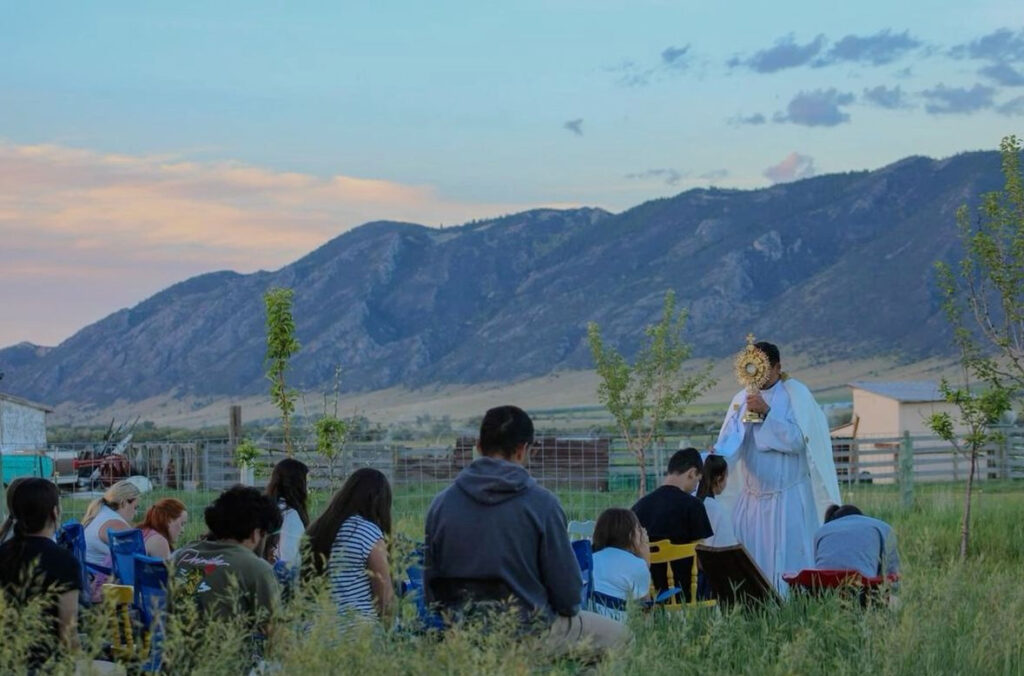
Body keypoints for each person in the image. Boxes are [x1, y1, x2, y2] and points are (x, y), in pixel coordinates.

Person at [425, 405, 627, 657]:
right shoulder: (542, 504)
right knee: (621, 638)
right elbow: (569, 595)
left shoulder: (441, 505)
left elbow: (431, 588)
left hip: (464, 633)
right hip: (529, 633)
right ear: (523, 450)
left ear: (478, 446)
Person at [714, 341, 841, 593]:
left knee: (790, 555)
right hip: (752, 501)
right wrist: (713, 458)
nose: (757, 375)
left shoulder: (796, 395)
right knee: (752, 557)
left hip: (789, 498)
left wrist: (768, 413)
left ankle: (793, 605)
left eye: (762, 368)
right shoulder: (741, 399)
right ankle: (754, 605)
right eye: (751, 368)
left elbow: (798, 440)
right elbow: (730, 445)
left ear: (777, 367)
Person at [172, 485, 282, 637]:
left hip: (174, 656)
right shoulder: (256, 568)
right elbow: (275, 633)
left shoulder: (183, 555)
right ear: (256, 533)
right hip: (224, 658)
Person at [0, 478, 81, 668]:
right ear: (54, 512)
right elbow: (68, 634)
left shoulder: (4, 553)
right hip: (46, 666)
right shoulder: (64, 561)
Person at [305, 468, 394, 629]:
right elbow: (384, 600)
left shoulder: (318, 529)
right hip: (356, 636)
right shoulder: (367, 533)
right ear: (379, 503)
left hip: (315, 636)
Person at [631, 448, 712, 600]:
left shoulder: (639, 507)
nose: (696, 486)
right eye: (698, 480)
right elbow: (702, 559)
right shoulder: (694, 506)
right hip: (687, 592)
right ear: (692, 473)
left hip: (650, 591)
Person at [82, 480, 141, 599]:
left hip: (88, 581)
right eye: (135, 507)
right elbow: (136, 559)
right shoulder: (116, 524)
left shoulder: (101, 514)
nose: (136, 512)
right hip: (98, 588)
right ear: (124, 503)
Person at [590, 508, 651, 622]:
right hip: (617, 623)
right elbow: (645, 606)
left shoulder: (591, 558)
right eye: (639, 530)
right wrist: (645, 558)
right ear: (630, 535)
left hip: (588, 617)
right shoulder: (637, 564)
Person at [813, 504, 900, 578]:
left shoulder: (821, 531)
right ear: (861, 516)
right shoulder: (882, 527)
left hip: (822, 586)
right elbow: (892, 573)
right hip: (862, 586)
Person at [265, 458, 310, 567]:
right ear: (299, 485)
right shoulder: (290, 516)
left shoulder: (269, 508)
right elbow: (292, 561)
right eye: (306, 482)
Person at [696, 455, 737, 547]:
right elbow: (727, 547)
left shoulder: (695, 502)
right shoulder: (717, 510)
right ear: (718, 479)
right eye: (726, 477)